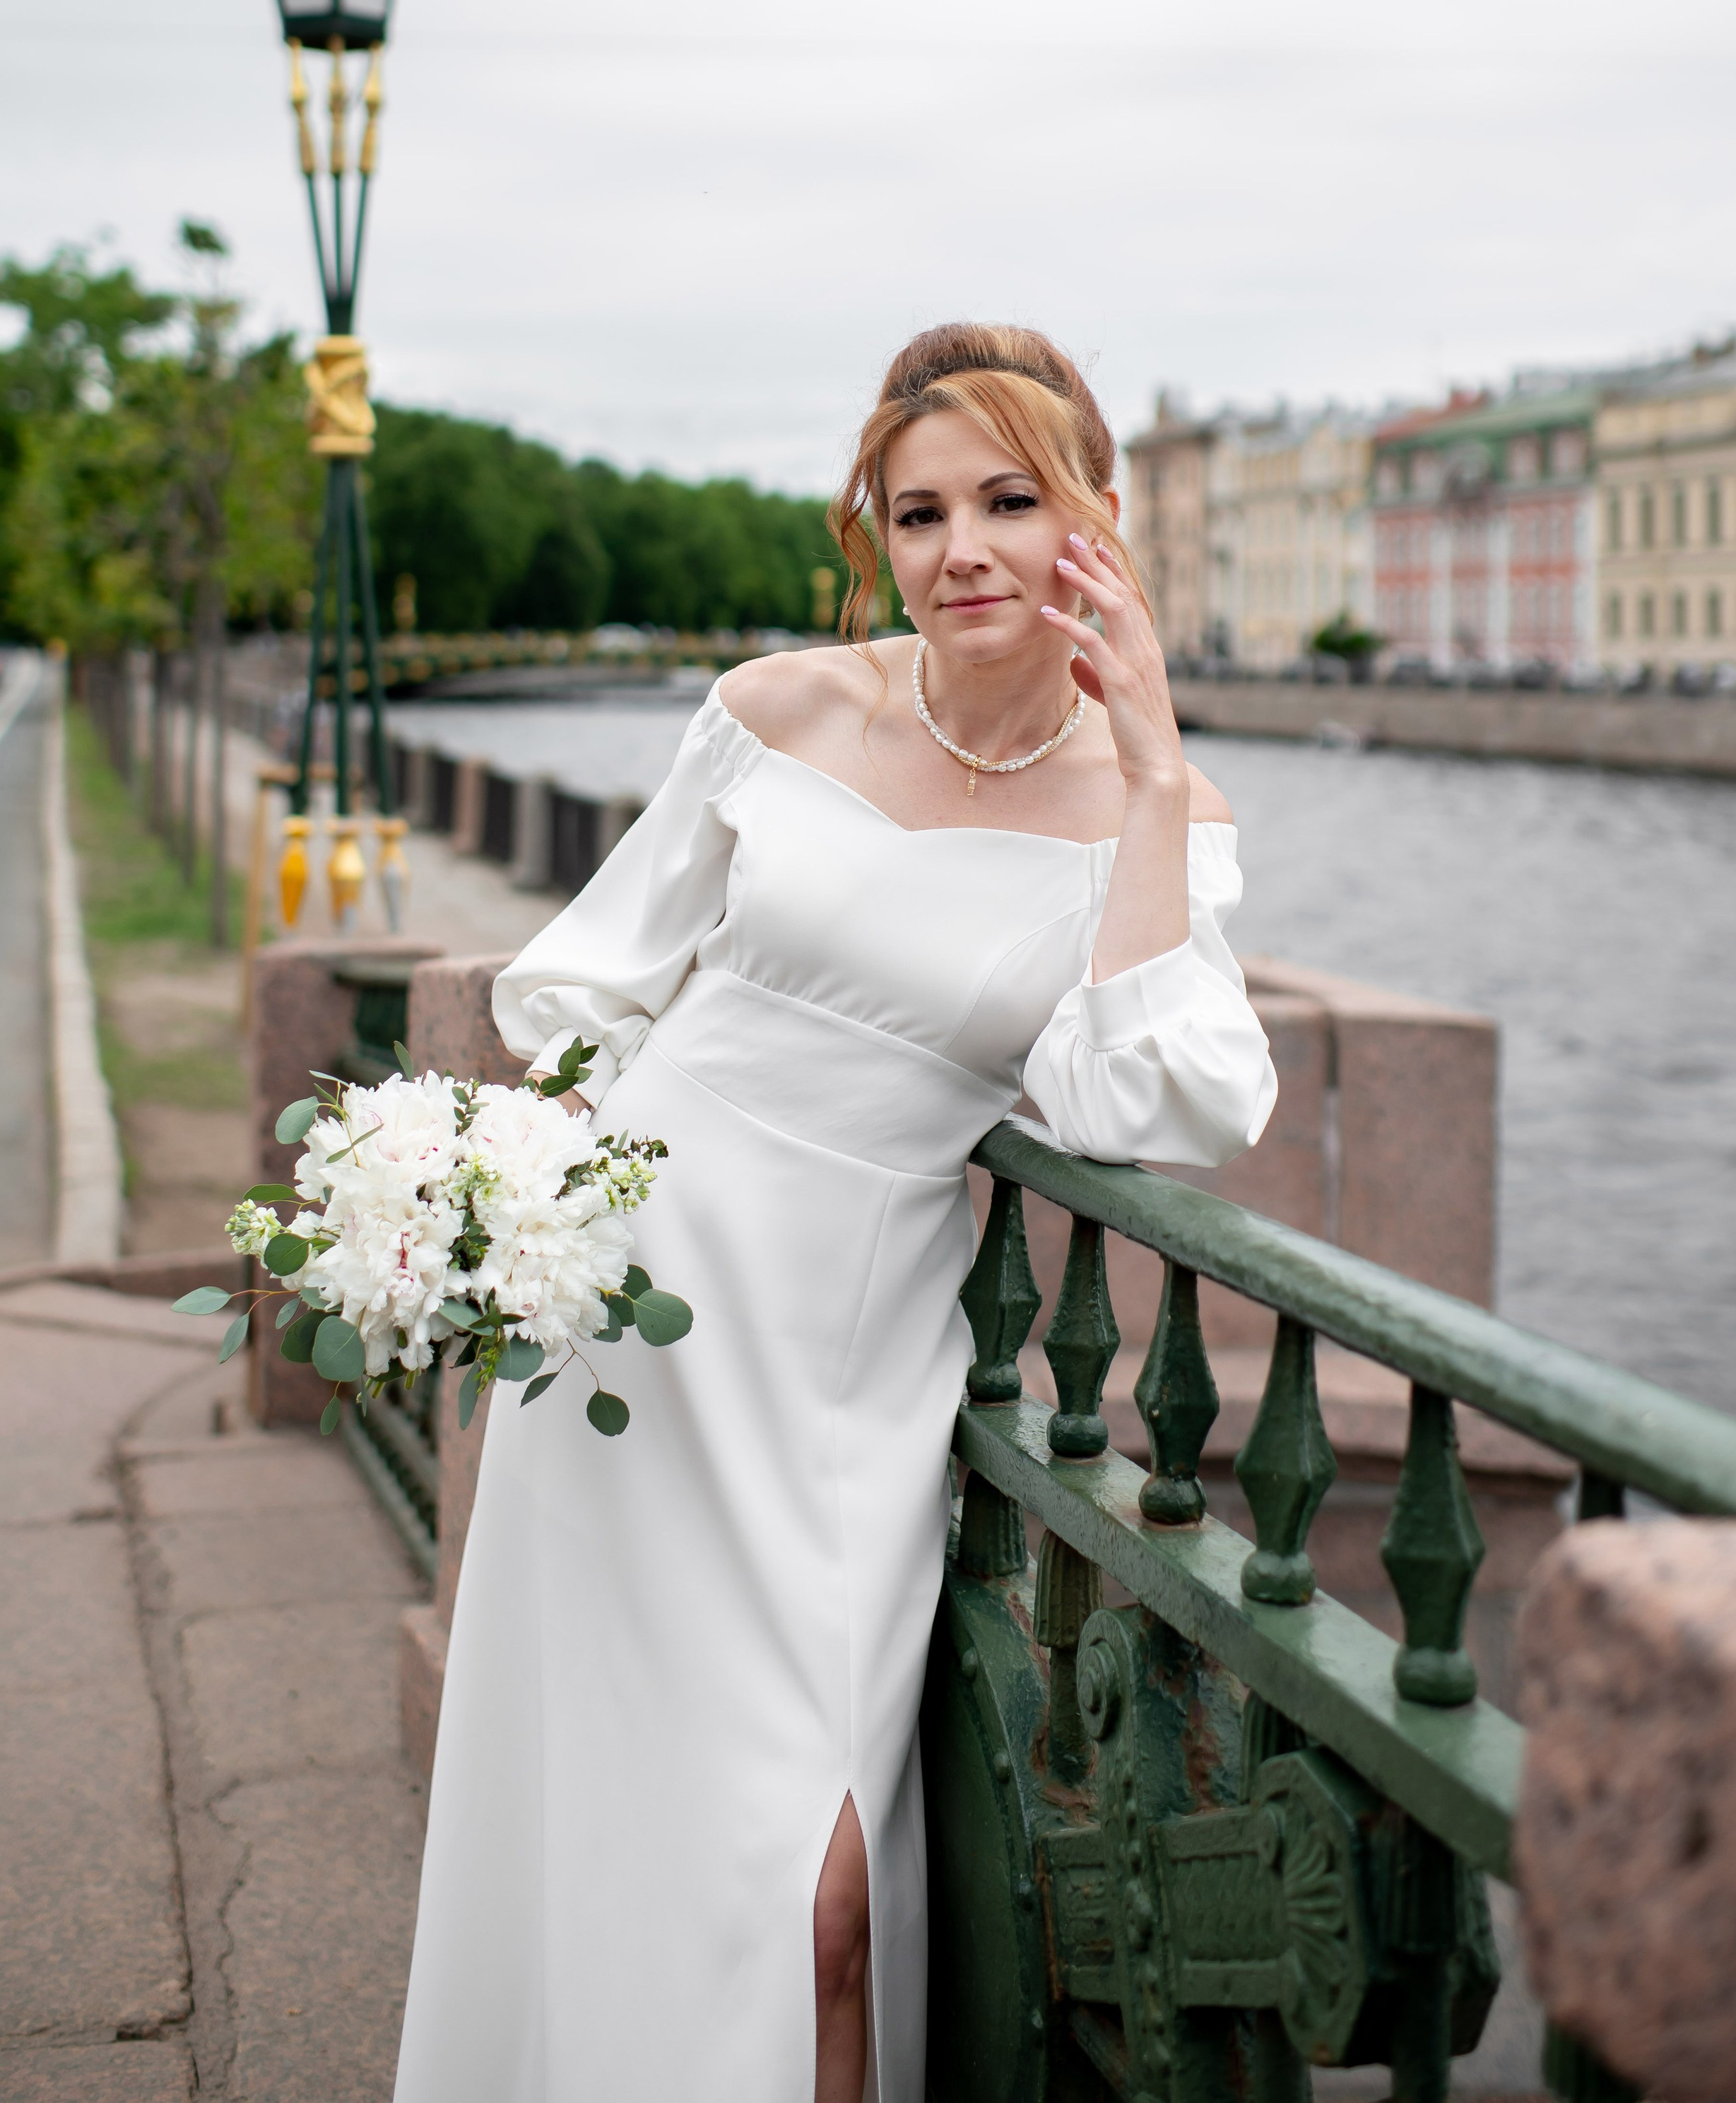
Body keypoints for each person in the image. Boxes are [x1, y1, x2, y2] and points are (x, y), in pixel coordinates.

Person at [392, 324, 1277, 2103]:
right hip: (630, 1337)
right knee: (599, 1827)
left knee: (822, 1901)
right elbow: (590, 983)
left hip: (839, 1386)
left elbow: (1152, 1097)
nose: (960, 550)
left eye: (1009, 502)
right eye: (918, 508)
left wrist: (1158, 766)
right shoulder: (782, 707)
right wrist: (504, 1203)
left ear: (1094, 522)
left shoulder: (1153, 811)